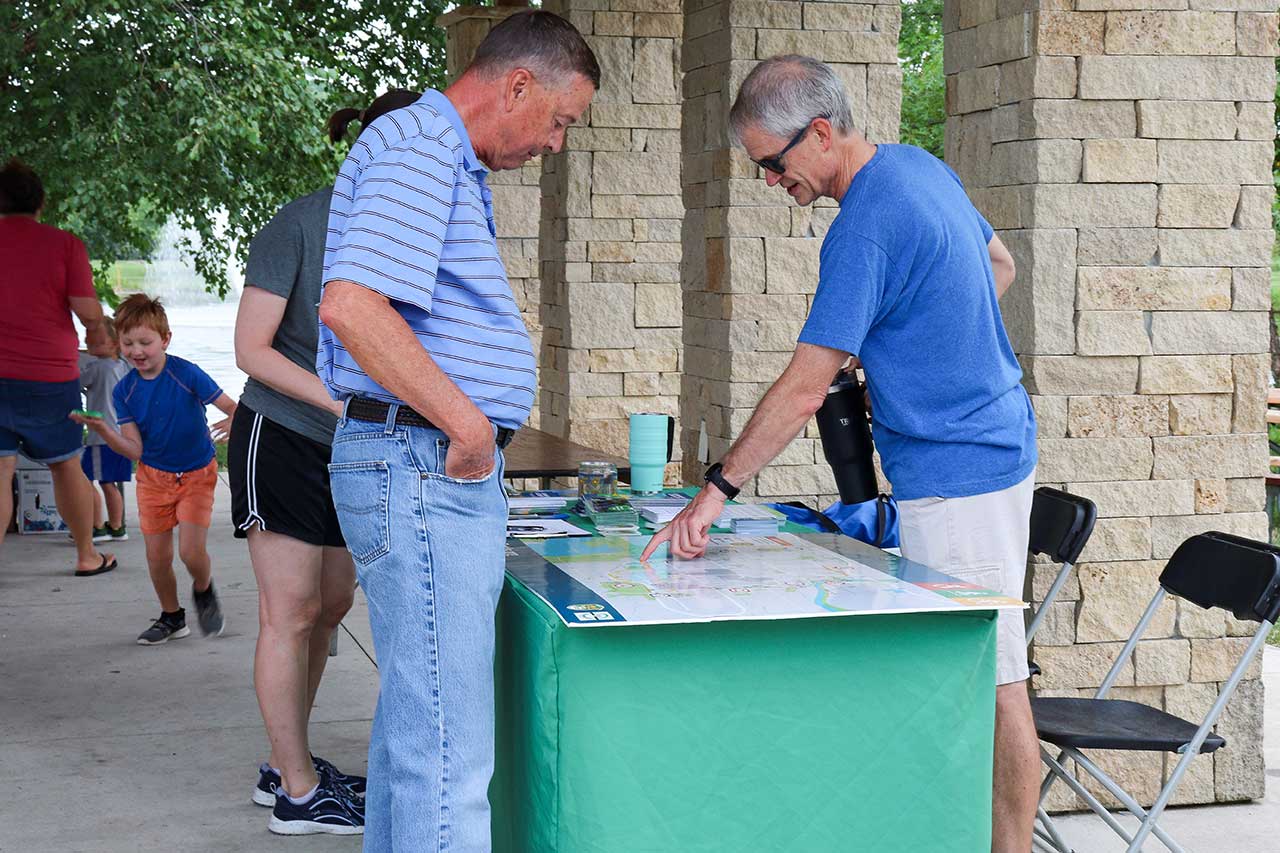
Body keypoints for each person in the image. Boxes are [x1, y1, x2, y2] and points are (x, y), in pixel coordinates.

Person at [640, 55, 1038, 853]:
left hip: (956, 477)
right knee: (986, 675)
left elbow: (800, 390)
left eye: (770, 163)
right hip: (999, 446)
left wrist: (715, 491)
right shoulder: (918, 167)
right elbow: (1000, 265)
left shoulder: (861, 228)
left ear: (819, 132)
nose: (767, 180)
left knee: (991, 685)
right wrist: (909, 341)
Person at [316, 11, 598, 851]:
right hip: (425, 462)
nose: (554, 143)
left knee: (418, 729)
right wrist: (469, 425)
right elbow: (353, 305)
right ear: (517, 84)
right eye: (558, 120)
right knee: (448, 750)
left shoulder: (435, 153)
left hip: (416, 460)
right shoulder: (421, 147)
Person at [231, 88, 422, 837]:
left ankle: (289, 759)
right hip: (277, 433)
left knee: (333, 604)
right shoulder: (301, 221)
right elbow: (251, 348)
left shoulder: (408, 230)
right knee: (292, 611)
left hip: (349, 446)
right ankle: (297, 792)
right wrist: (344, 404)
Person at [72, 294, 238, 645]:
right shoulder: (124, 391)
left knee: (191, 553)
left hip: (196, 473)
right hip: (152, 478)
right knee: (157, 557)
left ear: (165, 339)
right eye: (128, 343)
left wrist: (233, 419)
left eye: (145, 342)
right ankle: (172, 617)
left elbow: (230, 405)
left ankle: (204, 588)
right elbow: (134, 449)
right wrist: (102, 430)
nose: (136, 351)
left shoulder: (186, 373)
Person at [0, 158, 117, 576]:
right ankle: (87, 555)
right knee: (66, 463)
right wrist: (99, 332)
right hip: (48, 374)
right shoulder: (63, 244)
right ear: (41, 202)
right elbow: (86, 309)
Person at [78, 316, 132, 541]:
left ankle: (97, 526)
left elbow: (76, 382)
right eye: (88, 342)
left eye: (96, 343)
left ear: (114, 343)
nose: (90, 347)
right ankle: (117, 526)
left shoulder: (98, 367)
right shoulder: (123, 367)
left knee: (84, 479)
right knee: (111, 483)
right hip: (122, 436)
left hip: (101, 437)